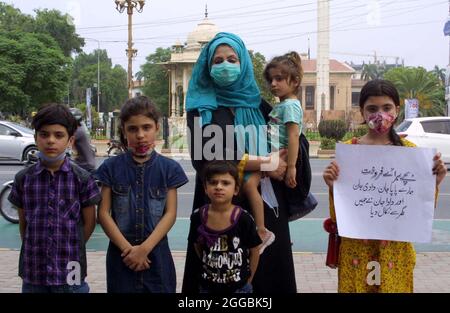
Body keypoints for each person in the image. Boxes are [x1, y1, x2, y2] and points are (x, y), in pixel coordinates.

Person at [182, 32, 298, 293]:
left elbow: (290, 138)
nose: (225, 65)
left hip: (263, 214)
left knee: (267, 280)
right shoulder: (201, 109)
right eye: (218, 60)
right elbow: (206, 157)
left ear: (243, 62)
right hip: (219, 208)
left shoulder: (258, 104)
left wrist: (286, 157)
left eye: (232, 59)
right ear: (208, 66)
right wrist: (263, 163)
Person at [322, 79, 448, 292]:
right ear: (361, 111)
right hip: (356, 252)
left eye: (386, 108)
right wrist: (332, 186)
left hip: (395, 252)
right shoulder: (348, 152)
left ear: (397, 110)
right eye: (372, 108)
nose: (380, 115)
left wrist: (434, 182)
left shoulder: (411, 152)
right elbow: (338, 218)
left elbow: (419, 211)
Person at [95, 96, 188, 293]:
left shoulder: (169, 169)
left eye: (146, 127)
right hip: (121, 259)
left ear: (156, 128)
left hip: (157, 258)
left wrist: (144, 249)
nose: (140, 135)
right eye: (133, 129)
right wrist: (129, 251)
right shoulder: (110, 168)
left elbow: (170, 214)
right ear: (123, 130)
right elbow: (103, 213)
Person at [8, 103, 101, 293]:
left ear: (70, 141)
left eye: (58, 135)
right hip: (34, 269)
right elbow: (24, 223)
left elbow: (89, 223)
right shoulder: (23, 179)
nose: (51, 140)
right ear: (35, 138)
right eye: (44, 134)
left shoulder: (82, 179)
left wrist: (72, 247)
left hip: (70, 268)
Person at [242, 51, 305, 254]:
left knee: (250, 184)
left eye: (279, 79)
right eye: (271, 80)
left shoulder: (291, 106)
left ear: (295, 81)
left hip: (280, 155)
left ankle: (262, 232)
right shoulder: (284, 105)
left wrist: (292, 166)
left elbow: (294, 136)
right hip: (272, 155)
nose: (274, 84)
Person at [187, 161, 261, 293]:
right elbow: (197, 246)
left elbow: (254, 252)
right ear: (205, 188)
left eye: (225, 183)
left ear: (236, 189)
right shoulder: (198, 217)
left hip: (239, 289)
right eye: (213, 182)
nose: (219, 187)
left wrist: (248, 280)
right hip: (207, 288)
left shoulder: (244, 219)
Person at [69, 108, 96, 173]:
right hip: (84, 162)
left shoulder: (78, 131)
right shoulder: (80, 129)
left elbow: (66, 142)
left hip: (85, 165)